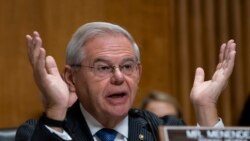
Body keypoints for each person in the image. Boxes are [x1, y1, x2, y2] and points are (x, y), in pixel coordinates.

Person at [16, 22, 236, 141]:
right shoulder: (36, 133)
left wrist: (205, 107)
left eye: (128, 66)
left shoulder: (162, 131)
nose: (119, 77)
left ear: (138, 73)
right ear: (72, 78)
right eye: (103, 67)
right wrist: (56, 109)